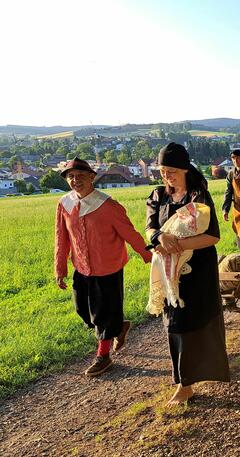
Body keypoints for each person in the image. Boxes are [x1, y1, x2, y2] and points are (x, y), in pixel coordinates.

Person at [146, 142, 230, 405]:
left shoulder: (198, 197)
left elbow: (212, 236)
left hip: (198, 271)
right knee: (175, 325)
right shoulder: (158, 196)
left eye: (171, 171)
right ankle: (185, 382)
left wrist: (177, 244)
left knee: (199, 321)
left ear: (184, 169)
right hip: (171, 274)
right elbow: (149, 229)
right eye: (162, 171)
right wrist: (160, 235)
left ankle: (194, 375)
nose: (166, 177)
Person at [55, 157, 152, 377]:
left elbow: (130, 232)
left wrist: (148, 256)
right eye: (71, 176)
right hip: (81, 267)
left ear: (92, 177)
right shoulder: (64, 204)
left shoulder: (107, 205)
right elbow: (61, 238)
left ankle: (103, 356)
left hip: (108, 267)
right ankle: (119, 326)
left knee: (101, 314)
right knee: (83, 310)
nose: (75, 180)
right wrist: (60, 269)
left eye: (80, 176)